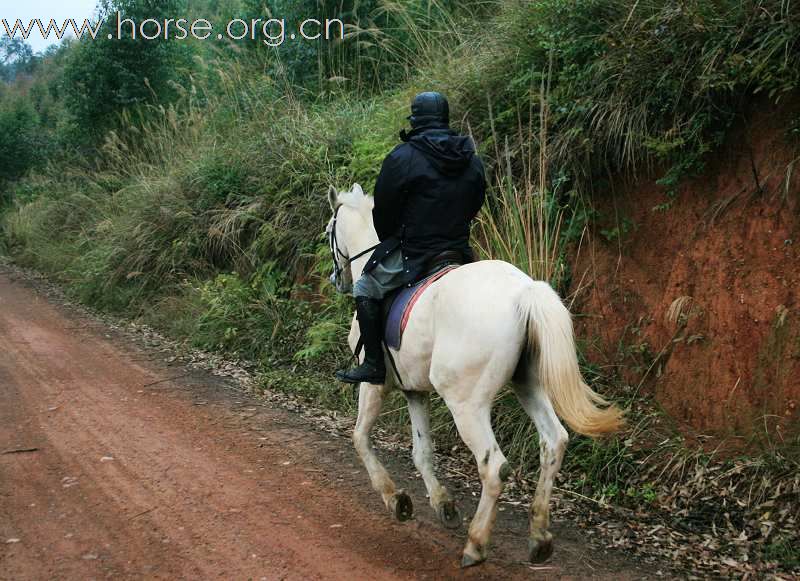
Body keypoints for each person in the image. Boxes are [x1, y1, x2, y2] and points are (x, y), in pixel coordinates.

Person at [335, 91, 487, 385]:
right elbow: (476, 201)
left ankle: (374, 365)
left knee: (365, 286)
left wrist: (396, 235)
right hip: (458, 250)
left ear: (415, 120)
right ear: (444, 119)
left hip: (416, 253)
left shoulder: (402, 157)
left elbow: (384, 212)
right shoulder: (470, 158)